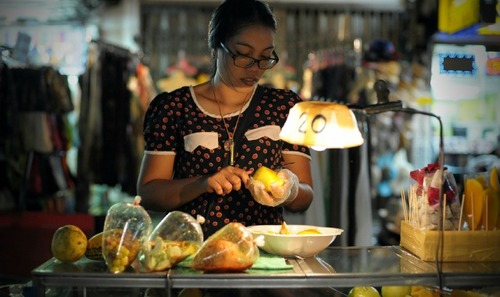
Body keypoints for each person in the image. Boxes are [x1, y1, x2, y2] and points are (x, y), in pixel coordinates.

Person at [136, 0, 313, 239]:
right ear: (216, 46)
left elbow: (305, 197)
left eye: (265, 57)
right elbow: (148, 193)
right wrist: (202, 183)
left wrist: (289, 191)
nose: (255, 68)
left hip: (261, 251)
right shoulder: (175, 107)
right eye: (243, 55)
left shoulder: (284, 107)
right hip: (193, 250)